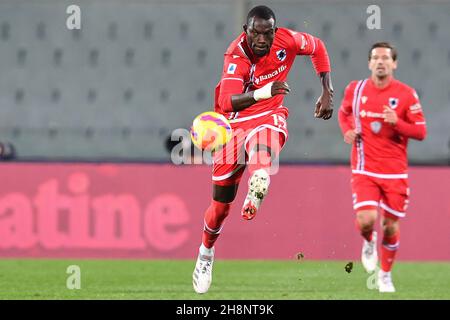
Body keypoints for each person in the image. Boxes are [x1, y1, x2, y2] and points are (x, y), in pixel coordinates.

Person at [192, 5, 334, 294]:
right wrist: (264, 91)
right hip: (232, 126)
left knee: (266, 136)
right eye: (256, 33)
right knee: (220, 207)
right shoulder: (236, 55)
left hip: (268, 115)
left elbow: (318, 47)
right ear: (246, 31)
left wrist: (327, 90)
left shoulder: (287, 40)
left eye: (267, 33)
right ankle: (205, 254)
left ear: (274, 31)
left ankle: (259, 179)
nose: (262, 39)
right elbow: (229, 101)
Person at [338, 42, 426, 293]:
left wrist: (397, 122)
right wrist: (347, 131)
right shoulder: (355, 90)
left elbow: (420, 131)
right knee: (367, 220)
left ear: (394, 63)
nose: (380, 61)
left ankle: (385, 275)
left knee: (390, 226)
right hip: (365, 167)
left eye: (385, 58)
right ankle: (368, 241)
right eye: (375, 57)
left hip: (395, 172)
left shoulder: (407, 94)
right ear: (369, 63)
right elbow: (344, 114)